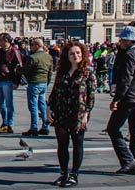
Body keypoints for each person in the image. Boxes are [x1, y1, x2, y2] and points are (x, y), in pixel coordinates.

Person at [48, 41, 96, 187]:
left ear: (82, 55)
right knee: (62, 144)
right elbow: (55, 91)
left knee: (77, 144)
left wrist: (86, 114)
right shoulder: (62, 72)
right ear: (67, 56)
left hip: (78, 113)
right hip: (61, 111)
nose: (75, 56)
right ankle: (63, 174)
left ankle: (74, 175)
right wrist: (49, 108)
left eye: (78, 53)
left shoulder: (87, 73)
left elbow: (91, 96)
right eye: (72, 53)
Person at [106, 25, 135, 175]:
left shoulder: (129, 55)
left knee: (113, 128)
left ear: (128, 40)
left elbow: (126, 79)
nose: (120, 41)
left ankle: (128, 160)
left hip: (129, 97)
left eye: (122, 39)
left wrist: (117, 99)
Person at [0, 33, 23, 133]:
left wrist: (16, 82)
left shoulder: (14, 51)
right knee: (0, 104)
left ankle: (10, 124)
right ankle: (4, 123)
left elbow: (20, 67)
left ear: (6, 41)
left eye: (0, 40)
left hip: (8, 80)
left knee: (9, 104)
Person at [23, 37, 53, 136]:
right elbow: (50, 72)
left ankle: (34, 128)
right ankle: (45, 127)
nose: (30, 47)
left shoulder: (33, 57)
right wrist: (46, 82)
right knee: (42, 106)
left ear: (36, 46)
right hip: (43, 83)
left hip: (34, 83)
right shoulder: (49, 57)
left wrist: (19, 70)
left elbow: (26, 70)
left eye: (32, 45)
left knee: (33, 107)